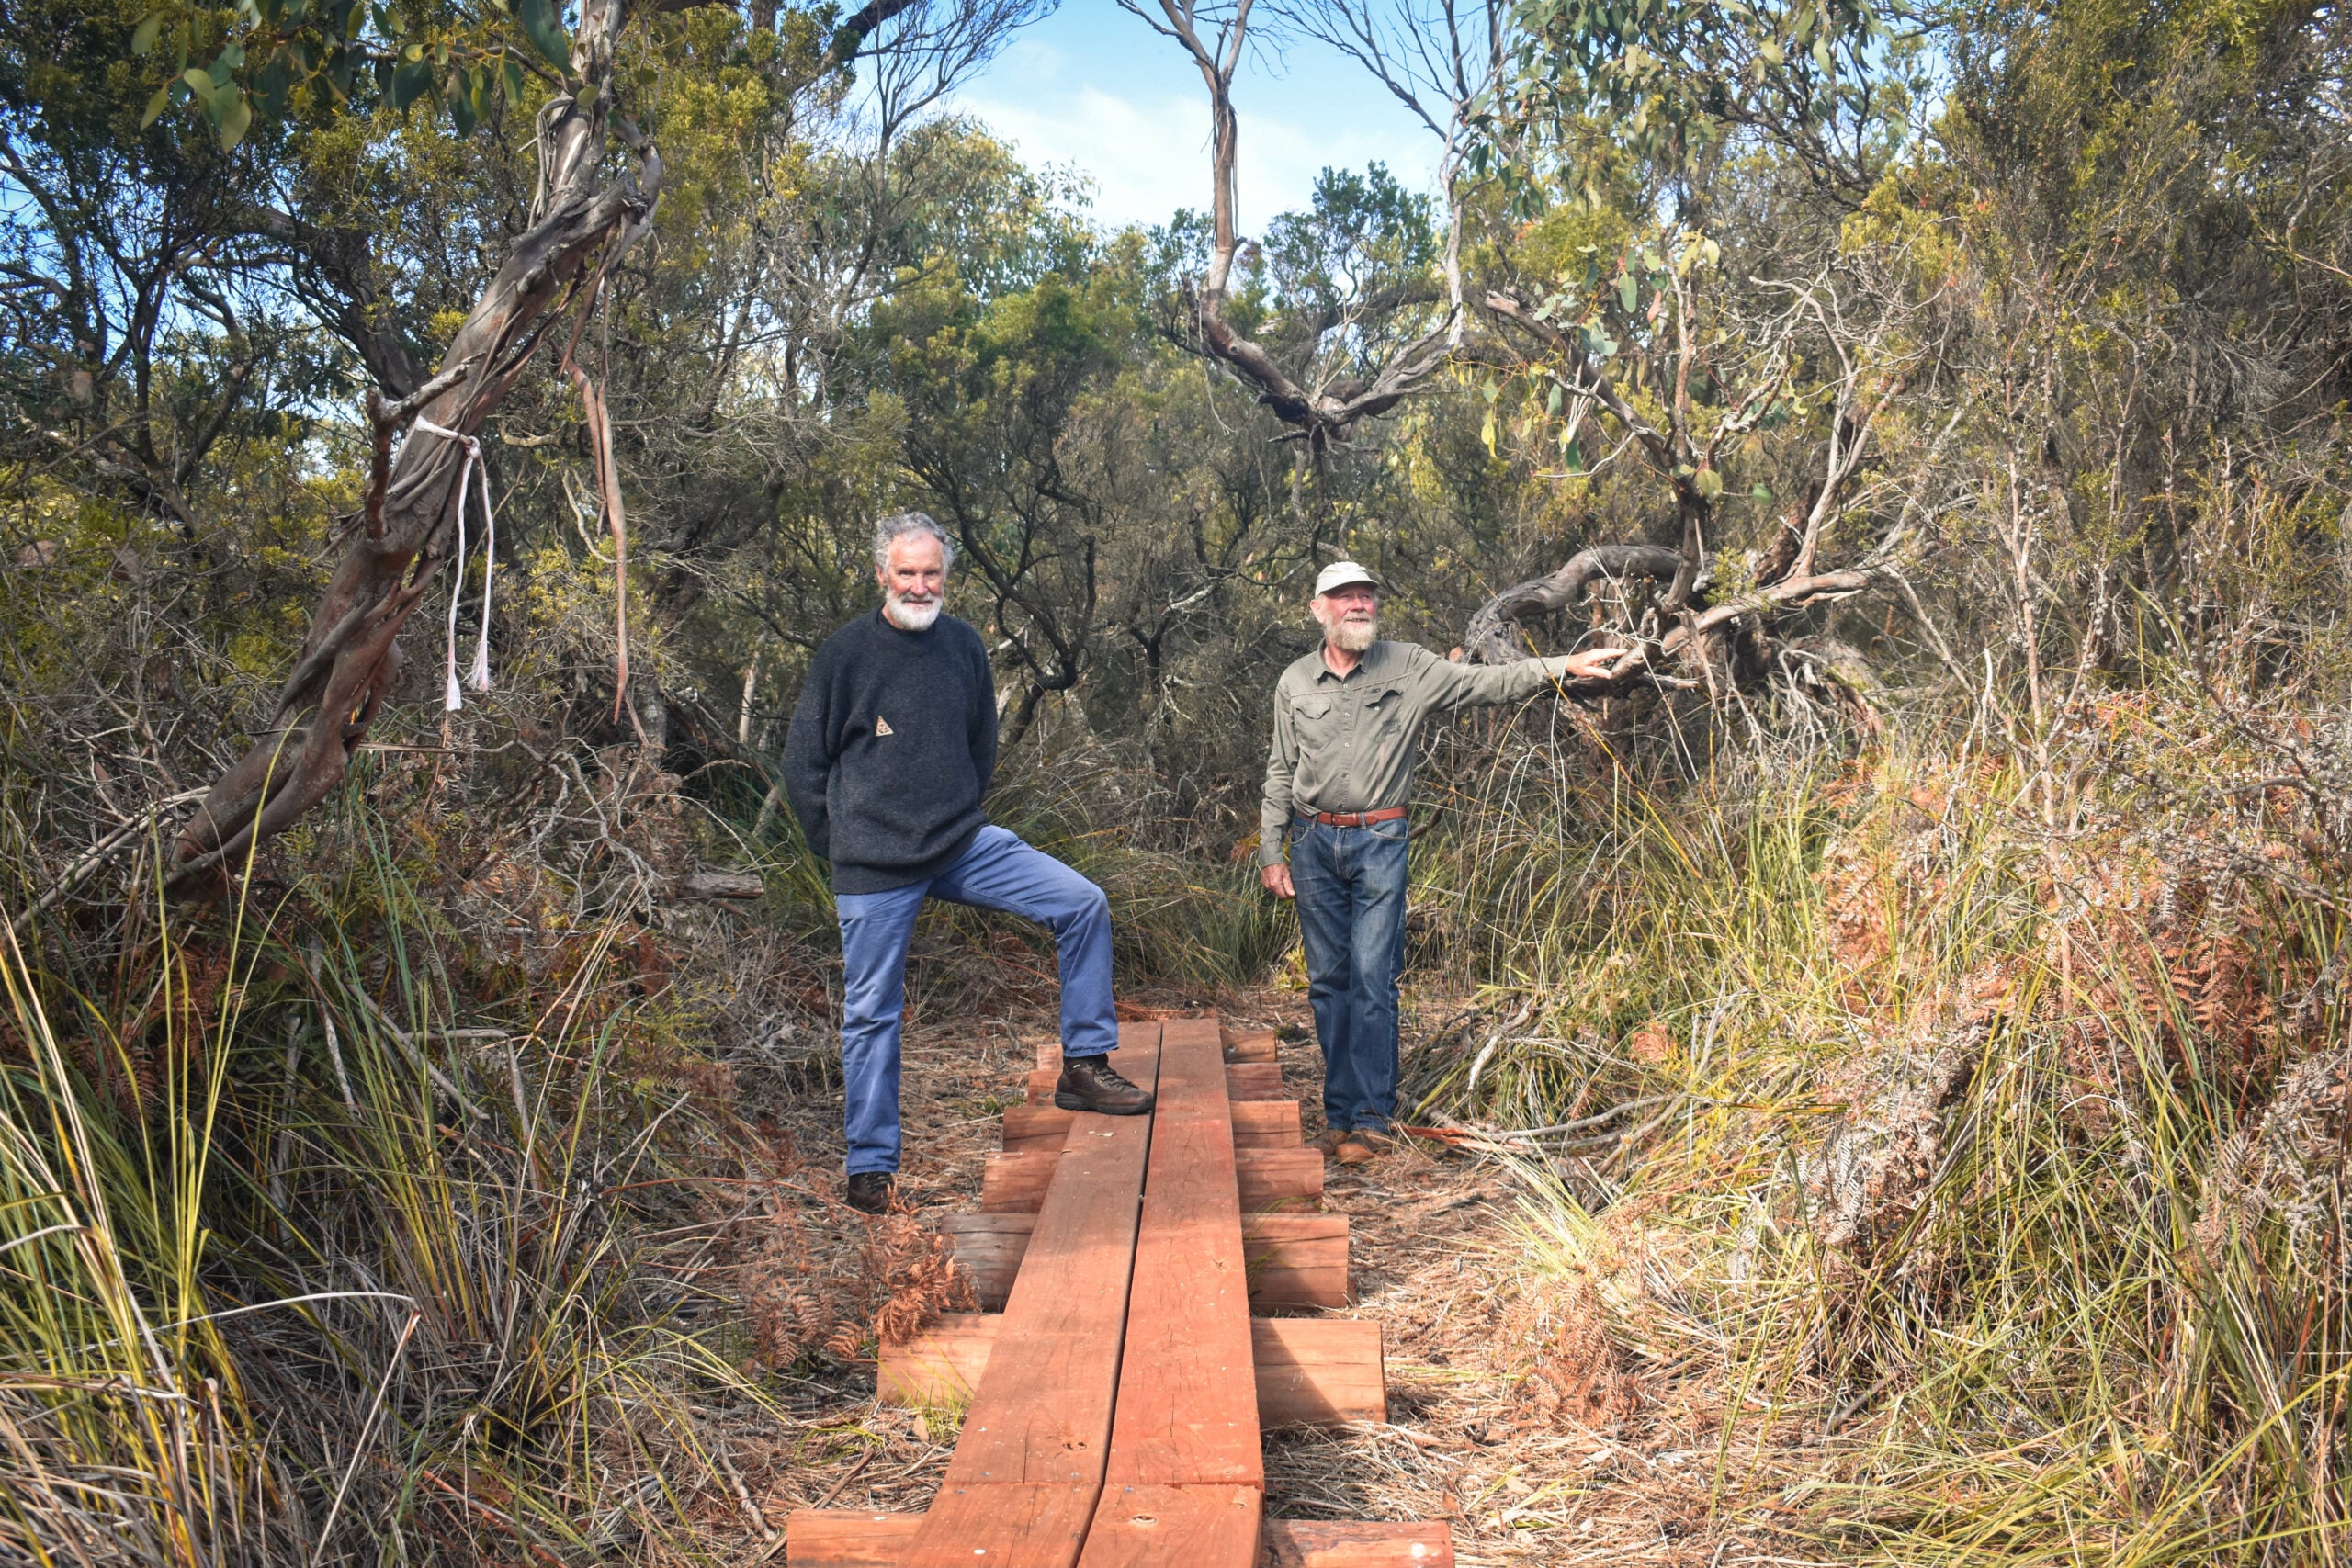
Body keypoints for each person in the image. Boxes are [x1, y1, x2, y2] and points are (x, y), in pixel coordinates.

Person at [785, 512, 1154, 1214]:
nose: (919, 586)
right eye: (906, 572)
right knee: (871, 1015)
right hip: (873, 866)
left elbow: (981, 742)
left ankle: (1083, 1067)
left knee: (1081, 902)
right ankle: (871, 1170)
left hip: (961, 843)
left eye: (931, 573)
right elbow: (803, 762)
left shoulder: (962, 646)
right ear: (881, 576)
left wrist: (956, 812)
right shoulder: (846, 654)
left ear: (945, 578)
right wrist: (838, 843)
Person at [1259, 561, 1624, 1166]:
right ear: (1318, 608)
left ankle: (1372, 1119)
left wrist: (1563, 666)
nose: (1358, 605)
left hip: (1381, 840)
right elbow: (1279, 768)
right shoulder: (1295, 682)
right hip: (1312, 843)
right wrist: (1272, 851)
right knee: (1329, 983)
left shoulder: (1410, 666)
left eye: (1367, 596)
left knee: (1374, 978)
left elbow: (1488, 683)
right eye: (1344, 596)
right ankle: (1339, 1113)